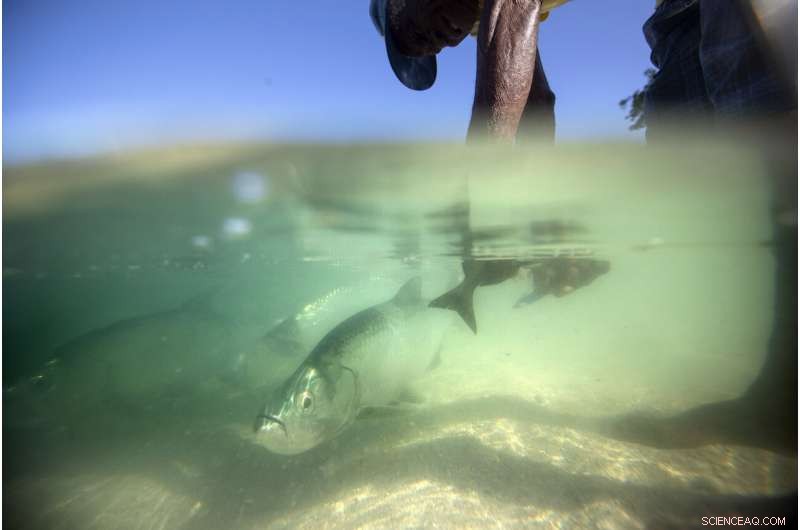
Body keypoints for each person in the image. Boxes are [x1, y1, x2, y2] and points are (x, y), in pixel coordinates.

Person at [369, 0, 570, 142]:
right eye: (436, 48)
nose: (445, 43)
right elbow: (537, 102)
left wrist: (479, 175)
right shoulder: (482, 17)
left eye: (417, 33)